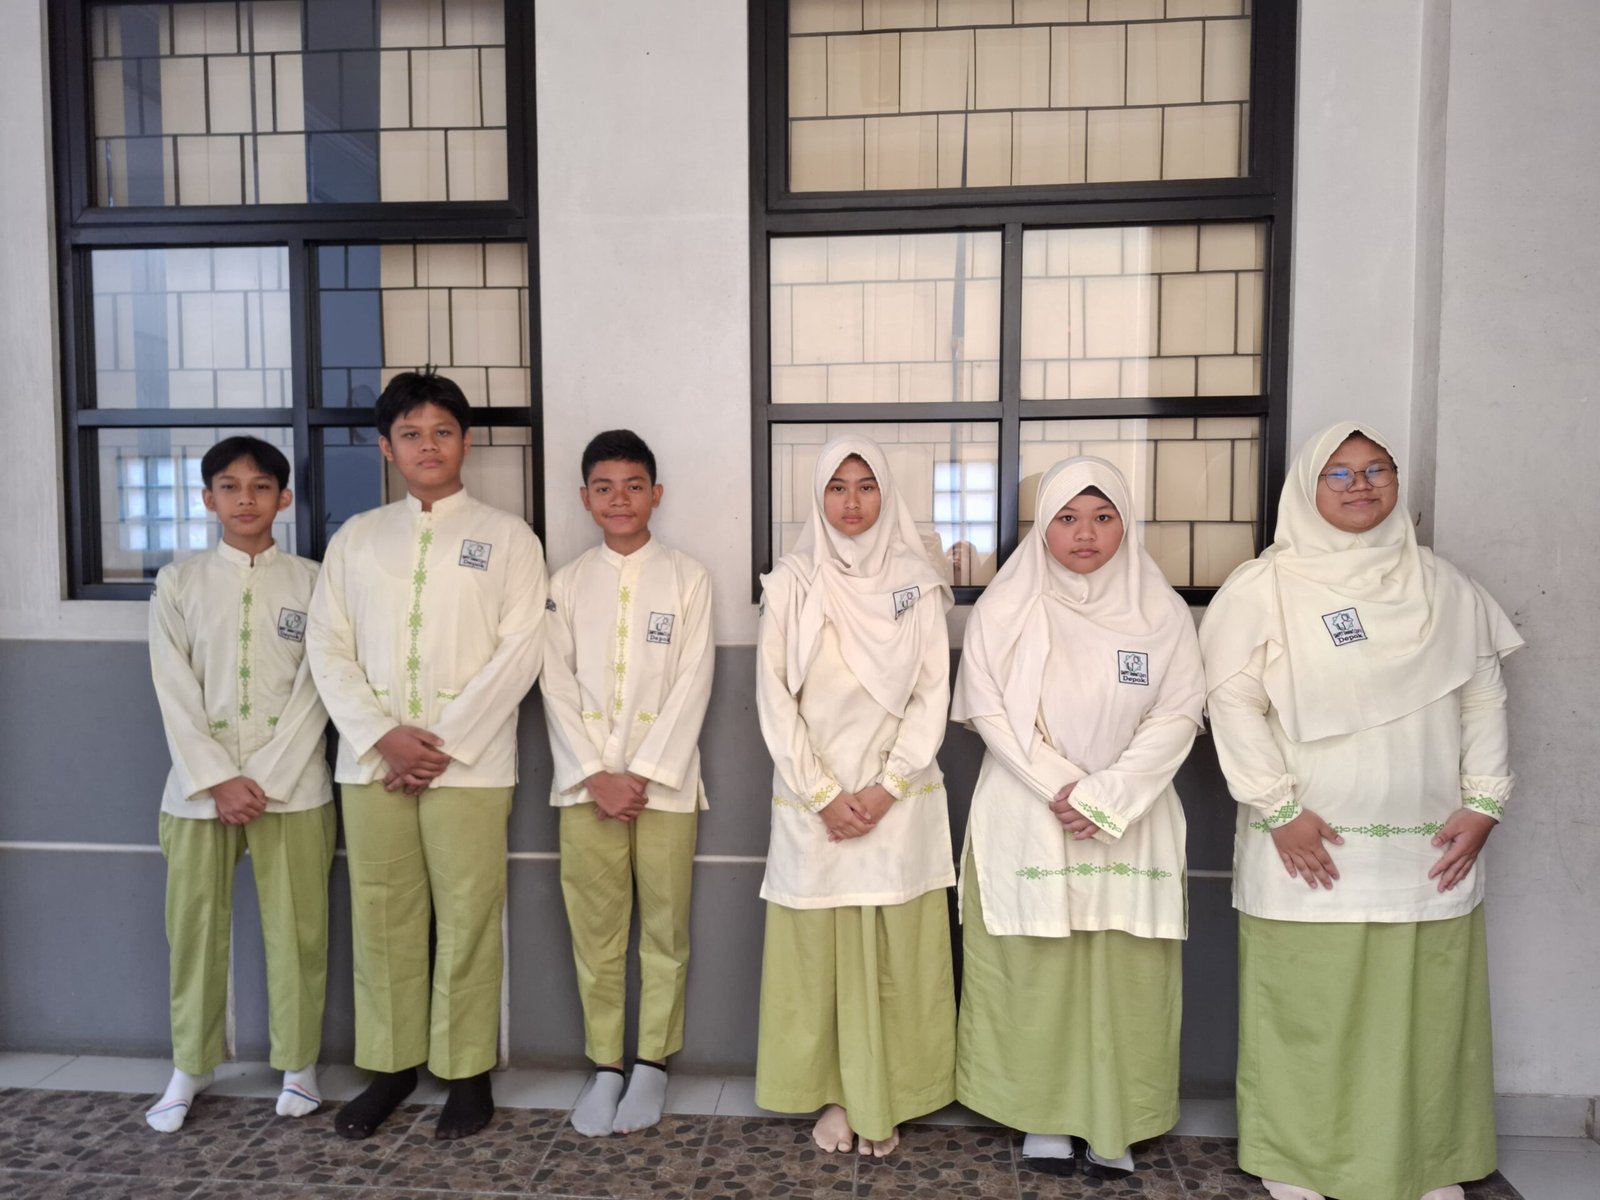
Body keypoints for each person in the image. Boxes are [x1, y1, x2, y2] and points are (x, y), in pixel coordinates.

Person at [1199, 424, 1523, 1200]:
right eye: (1338, 473)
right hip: (1307, 837)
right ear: (1306, 487)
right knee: (1311, 1009)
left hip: (1427, 845)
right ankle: (1296, 1159)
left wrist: (1485, 801)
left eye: (1376, 469)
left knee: (1422, 1012)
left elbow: (1483, 696)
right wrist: (1278, 809)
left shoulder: (1446, 587)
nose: (1361, 485)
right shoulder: (1264, 588)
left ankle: (1423, 1160)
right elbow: (1232, 703)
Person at [306, 371, 547, 1141]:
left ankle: (466, 1072)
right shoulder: (355, 538)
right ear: (387, 448)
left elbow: (522, 649)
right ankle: (390, 1066)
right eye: (410, 434)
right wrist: (382, 736)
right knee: (382, 915)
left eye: (442, 431)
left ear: (465, 442)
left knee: (469, 915)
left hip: (469, 768)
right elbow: (326, 647)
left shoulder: (509, 538)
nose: (428, 446)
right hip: (371, 764)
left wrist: (442, 744)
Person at [950, 457, 1205, 1179]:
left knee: (1122, 974)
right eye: (1066, 518)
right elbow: (991, 713)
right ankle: (1043, 1113)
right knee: (1038, 969)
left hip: (1133, 816)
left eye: (1101, 517)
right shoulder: (1006, 606)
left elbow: (1180, 711)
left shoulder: (1161, 613)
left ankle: (1114, 1118)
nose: (1084, 533)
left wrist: (1109, 795)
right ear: (1043, 528)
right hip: (1032, 811)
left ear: (1126, 524)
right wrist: (1069, 789)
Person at [753, 435, 956, 1159]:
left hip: (894, 800)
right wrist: (822, 794)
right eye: (836, 486)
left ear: (885, 493)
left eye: (866, 485)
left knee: (893, 960)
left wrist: (886, 787)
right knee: (823, 960)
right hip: (817, 801)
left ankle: (886, 1095)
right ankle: (839, 1096)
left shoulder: (917, 584)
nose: (851, 501)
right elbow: (774, 698)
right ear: (818, 496)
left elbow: (932, 692)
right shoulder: (792, 584)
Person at [145, 436, 335, 1133]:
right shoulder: (179, 583)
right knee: (193, 932)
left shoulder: (315, 583)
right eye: (229, 486)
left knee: (299, 932)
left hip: (295, 790)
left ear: (285, 498)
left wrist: (268, 777)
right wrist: (219, 779)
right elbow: (173, 690)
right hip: (198, 795)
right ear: (208, 499)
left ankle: (300, 1066)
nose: (245, 499)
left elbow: (321, 687)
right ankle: (189, 1066)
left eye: (260, 486)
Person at [541, 429, 714, 1137]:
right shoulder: (564, 584)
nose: (620, 499)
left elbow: (694, 681)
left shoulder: (687, 578)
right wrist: (595, 775)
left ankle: (652, 1063)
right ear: (585, 498)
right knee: (596, 932)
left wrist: (641, 774)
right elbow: (555, 684)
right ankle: (606, 1065)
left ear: (656, 494)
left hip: (664, 788)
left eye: (634, 486)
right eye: (605, 488)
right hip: (586, 791)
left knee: (665, 930)